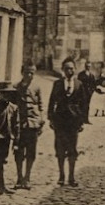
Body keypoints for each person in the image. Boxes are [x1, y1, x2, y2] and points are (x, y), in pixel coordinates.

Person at [47, 56, 88, 187]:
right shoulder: (57, 84)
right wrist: (51, 118)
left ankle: (71, 177)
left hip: (73, 122)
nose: (69, 71)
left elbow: (84, 104)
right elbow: (51, 102)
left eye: (71, 68)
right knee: (60, 149)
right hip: (60, 121)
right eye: (66, 69)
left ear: (75, 69)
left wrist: (81, 121)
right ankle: (61, 176)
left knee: (72, 149)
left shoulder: (79, 84)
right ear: (63, 70)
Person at [11, 62, 44, 190]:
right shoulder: (16, 88)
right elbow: (11, 107)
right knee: (18, 151)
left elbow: (40, 105)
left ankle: (27, 178)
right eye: (27, 72)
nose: (29, 75)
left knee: (31, 152)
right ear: (22, 73)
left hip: (33, 124)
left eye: (32, 73)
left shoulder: (36, 87)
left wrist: (41, 121)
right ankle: (19, 177)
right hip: (19, 125)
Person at [77, 59, 96, 123]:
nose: (88, 67)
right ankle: (80, 119)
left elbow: (94, 84)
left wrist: (91, 91)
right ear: (85, 66)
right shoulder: (81, 74)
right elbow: (78, 83)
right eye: (87, 66)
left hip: (88, 93)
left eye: (89, 66)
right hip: (82, 92)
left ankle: (86, 119)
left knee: (87, 106)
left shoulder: (92, 75)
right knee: (81, 105)